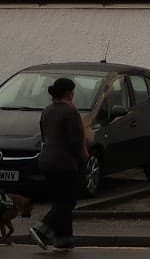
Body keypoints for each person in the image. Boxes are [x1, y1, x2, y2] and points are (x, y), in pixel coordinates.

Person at [31, 77, 86, 252]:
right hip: (64, 162)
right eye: (73, 91)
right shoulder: (71, 112)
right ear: (69, 93)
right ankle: (42, 229)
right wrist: (83, 157)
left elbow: (44, 134)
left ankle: (64, 239)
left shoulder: (47, 110)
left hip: (46, 160)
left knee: (59, 200)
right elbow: (75, 141)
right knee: (68, 201)